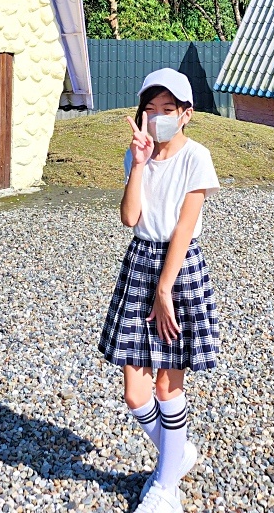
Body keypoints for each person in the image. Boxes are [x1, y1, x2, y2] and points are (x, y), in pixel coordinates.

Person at [98, 67, 221, 513]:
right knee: (135, 393)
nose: (157, 118)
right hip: (140, 262)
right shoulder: (138, 154)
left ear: (186, 114)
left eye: (167, 110)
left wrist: (165, 289)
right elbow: (130, 218)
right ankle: (178, 453)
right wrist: (140, 164)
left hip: (179, 269)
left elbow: (185, 229)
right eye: (149, 110)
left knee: (169, 388)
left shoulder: (197, 157)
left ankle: (166, 487)